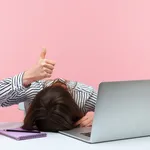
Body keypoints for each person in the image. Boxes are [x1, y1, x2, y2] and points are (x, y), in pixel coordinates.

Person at [0, 49, 97, 132]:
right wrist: (26, 77)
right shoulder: (32, 90)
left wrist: (98, 118)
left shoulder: (84, 95)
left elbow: (111, 109)